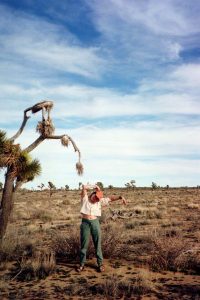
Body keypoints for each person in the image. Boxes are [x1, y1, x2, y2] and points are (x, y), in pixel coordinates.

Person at [77, 183, 127, 272]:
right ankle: (81, 264)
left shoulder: (99, 201)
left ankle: (100, 264)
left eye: (97, 199)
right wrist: (95, 187)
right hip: (85, 223)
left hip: (95, 222)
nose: (96, 200)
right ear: (92, 194)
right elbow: (84, 187)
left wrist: (120, 197)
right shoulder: (84, 199)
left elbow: (110, 198)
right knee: (84, 245)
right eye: (95, 197)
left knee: (97, 244)